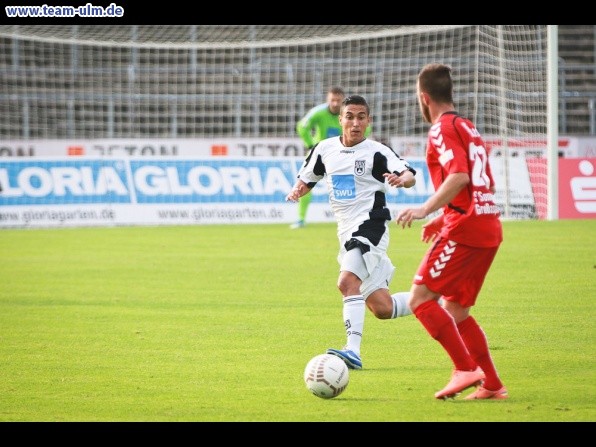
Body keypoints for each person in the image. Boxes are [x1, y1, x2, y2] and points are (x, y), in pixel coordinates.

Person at [395, 63, 507, 400]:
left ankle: (465, 368)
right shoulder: (467, 126)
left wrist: (425, 209)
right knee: (456, 311)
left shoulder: (441, 129)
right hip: (487, 226)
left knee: (420, 299)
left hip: (467, 232)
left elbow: (459, 176)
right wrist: (444, 217)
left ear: (424, 97)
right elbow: (477, 185)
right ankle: (491, 384)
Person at [286, 94, 416, 369]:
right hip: (346, 231)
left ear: (369, 121)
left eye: (361, 117)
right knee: (383, 308)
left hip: (372, 224)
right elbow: (308, 177)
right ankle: (433, 299)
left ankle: (352, 351)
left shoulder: (377, 151)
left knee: (346, 283)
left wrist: (401, 180)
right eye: (350, 117)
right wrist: (298, 189)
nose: (355, 123)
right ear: (340, 119)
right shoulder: (324, 149)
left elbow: (409, 174)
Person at [291, 86, 371, 229]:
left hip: (343, 155)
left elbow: (367, 127)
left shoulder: (349, 114)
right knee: (305, 183)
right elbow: (302, 126)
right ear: (328, 100)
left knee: (348, 187)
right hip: (320, 155)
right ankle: (301, 219)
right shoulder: (318, 112)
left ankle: (352, 218)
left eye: (338, 100)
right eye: (332, 100)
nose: (335, 103)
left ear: (343, 101)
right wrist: (311, 145)